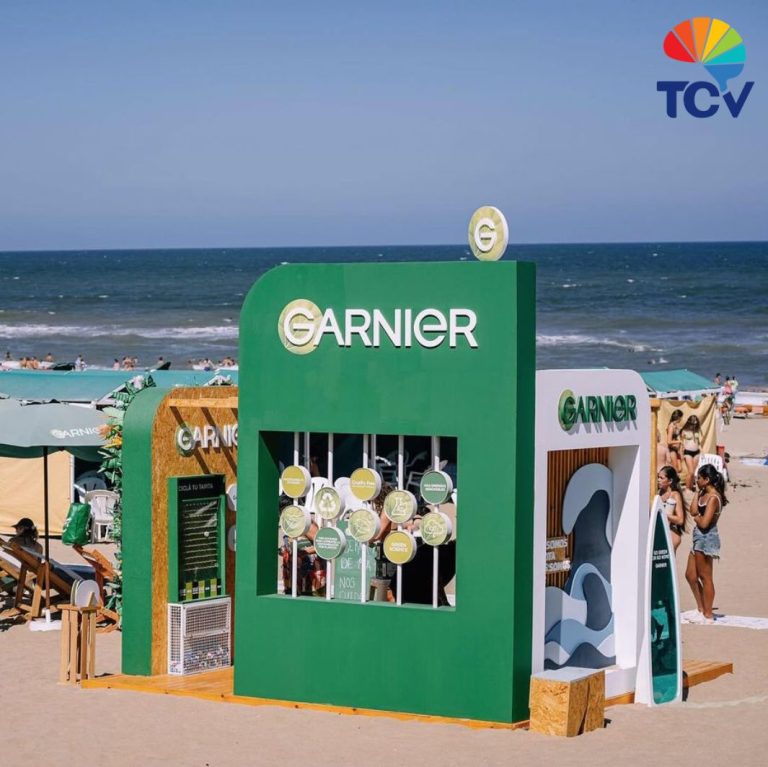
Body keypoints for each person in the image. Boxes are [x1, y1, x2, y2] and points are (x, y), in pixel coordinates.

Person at [684, 464, 727, 623]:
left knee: (705, 577)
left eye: (699, 478)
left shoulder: (714, 498)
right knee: (690, 575)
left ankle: (708, 614)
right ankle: (701, 608)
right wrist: (697, 492)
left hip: (707, 538)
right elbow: (693, 511)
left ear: (707, 479)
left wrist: (697, 517)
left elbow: (704, 523)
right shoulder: (703, 493)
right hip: (698, 537)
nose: (696, 480)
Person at [657, 466, 686, 552]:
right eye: (658, 477)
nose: (658, 480)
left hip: (671, 533)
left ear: (670, 481)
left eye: (661, 478)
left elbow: (680, 520)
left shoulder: (674, 495)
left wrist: (663, 514)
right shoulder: (660, 492)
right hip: (662, 531)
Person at [680, 414, 703, 489]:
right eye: (693, 422)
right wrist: (681, 453)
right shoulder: (684, 431)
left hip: (696, 452)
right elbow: (682, 443)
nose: (695, 423)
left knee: (693, 473)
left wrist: (702, 451)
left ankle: (690, 487)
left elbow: (698, 442)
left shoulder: (697, 430)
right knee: (691, 472)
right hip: (688, 452)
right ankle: (687, 488)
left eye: (696, 422)